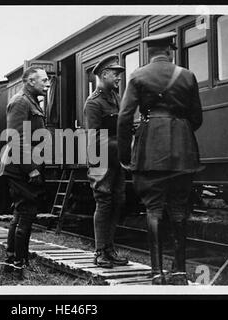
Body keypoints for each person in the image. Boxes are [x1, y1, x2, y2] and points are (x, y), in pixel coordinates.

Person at [117, 32, 203, 285]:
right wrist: (180, 132)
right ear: (170, 50)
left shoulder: (138, 76)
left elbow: (124, 118)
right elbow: (196, 117)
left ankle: (156, 273)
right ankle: (179, 272)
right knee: (178, 209)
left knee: (153, 209)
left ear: (150, 52)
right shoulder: (187, 75)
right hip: (183, 150)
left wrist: (125, 155)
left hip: (149, 150)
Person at [0, 66, 50, 278]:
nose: (47, 84)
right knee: (26, 211)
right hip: (21, 166)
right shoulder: (20, 101)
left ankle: (13, 261)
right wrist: (31, 170)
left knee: (20, 212)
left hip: (22, 164)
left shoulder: (30, 101)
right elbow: (16, 138)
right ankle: (18, 263)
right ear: (30, 82)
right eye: (44, 80)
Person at [84, 55, 129, 268]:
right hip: (102, 160)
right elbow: (93, 138)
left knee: (118, 202)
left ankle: (109, 250)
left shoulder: (116, 98)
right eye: (115, 74)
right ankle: (100, 251)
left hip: (117, 159)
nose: (119, 78)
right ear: (103, 75)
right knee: (104, 202)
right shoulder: (94, 103)